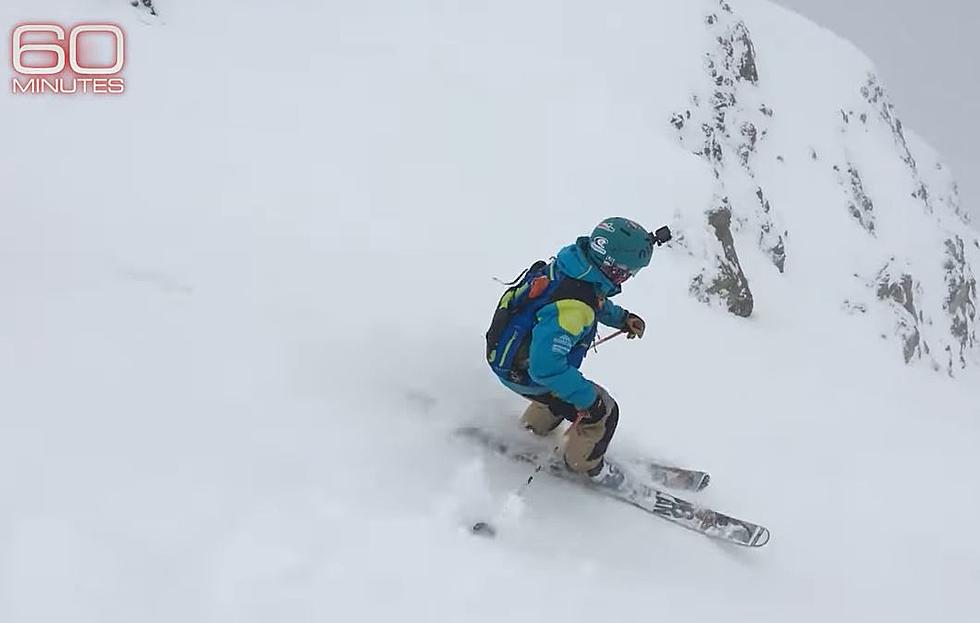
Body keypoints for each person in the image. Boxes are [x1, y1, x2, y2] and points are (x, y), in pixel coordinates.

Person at [485, 217, 669, 488]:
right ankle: (584, 465)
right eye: (627, 273)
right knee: (603, 410)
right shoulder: (574, 307)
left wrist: (621, 318)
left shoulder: (571, 267)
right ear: (612, 267)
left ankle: (533, 431)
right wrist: (588, 401)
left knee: (560, 391)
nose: (627, 278)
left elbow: (592, 300)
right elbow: (545, 367)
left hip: (508, 357)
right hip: (526, 371)